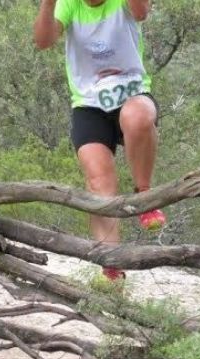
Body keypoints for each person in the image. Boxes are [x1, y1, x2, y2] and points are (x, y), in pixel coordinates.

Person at [34, 0, 165, 281]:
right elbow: (43, 41)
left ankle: (145, 194)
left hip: (133, 93)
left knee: (138, 117)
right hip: (89, 104)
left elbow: (141, 13)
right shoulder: (69, 5)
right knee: (99, 183)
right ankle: (111, 266)